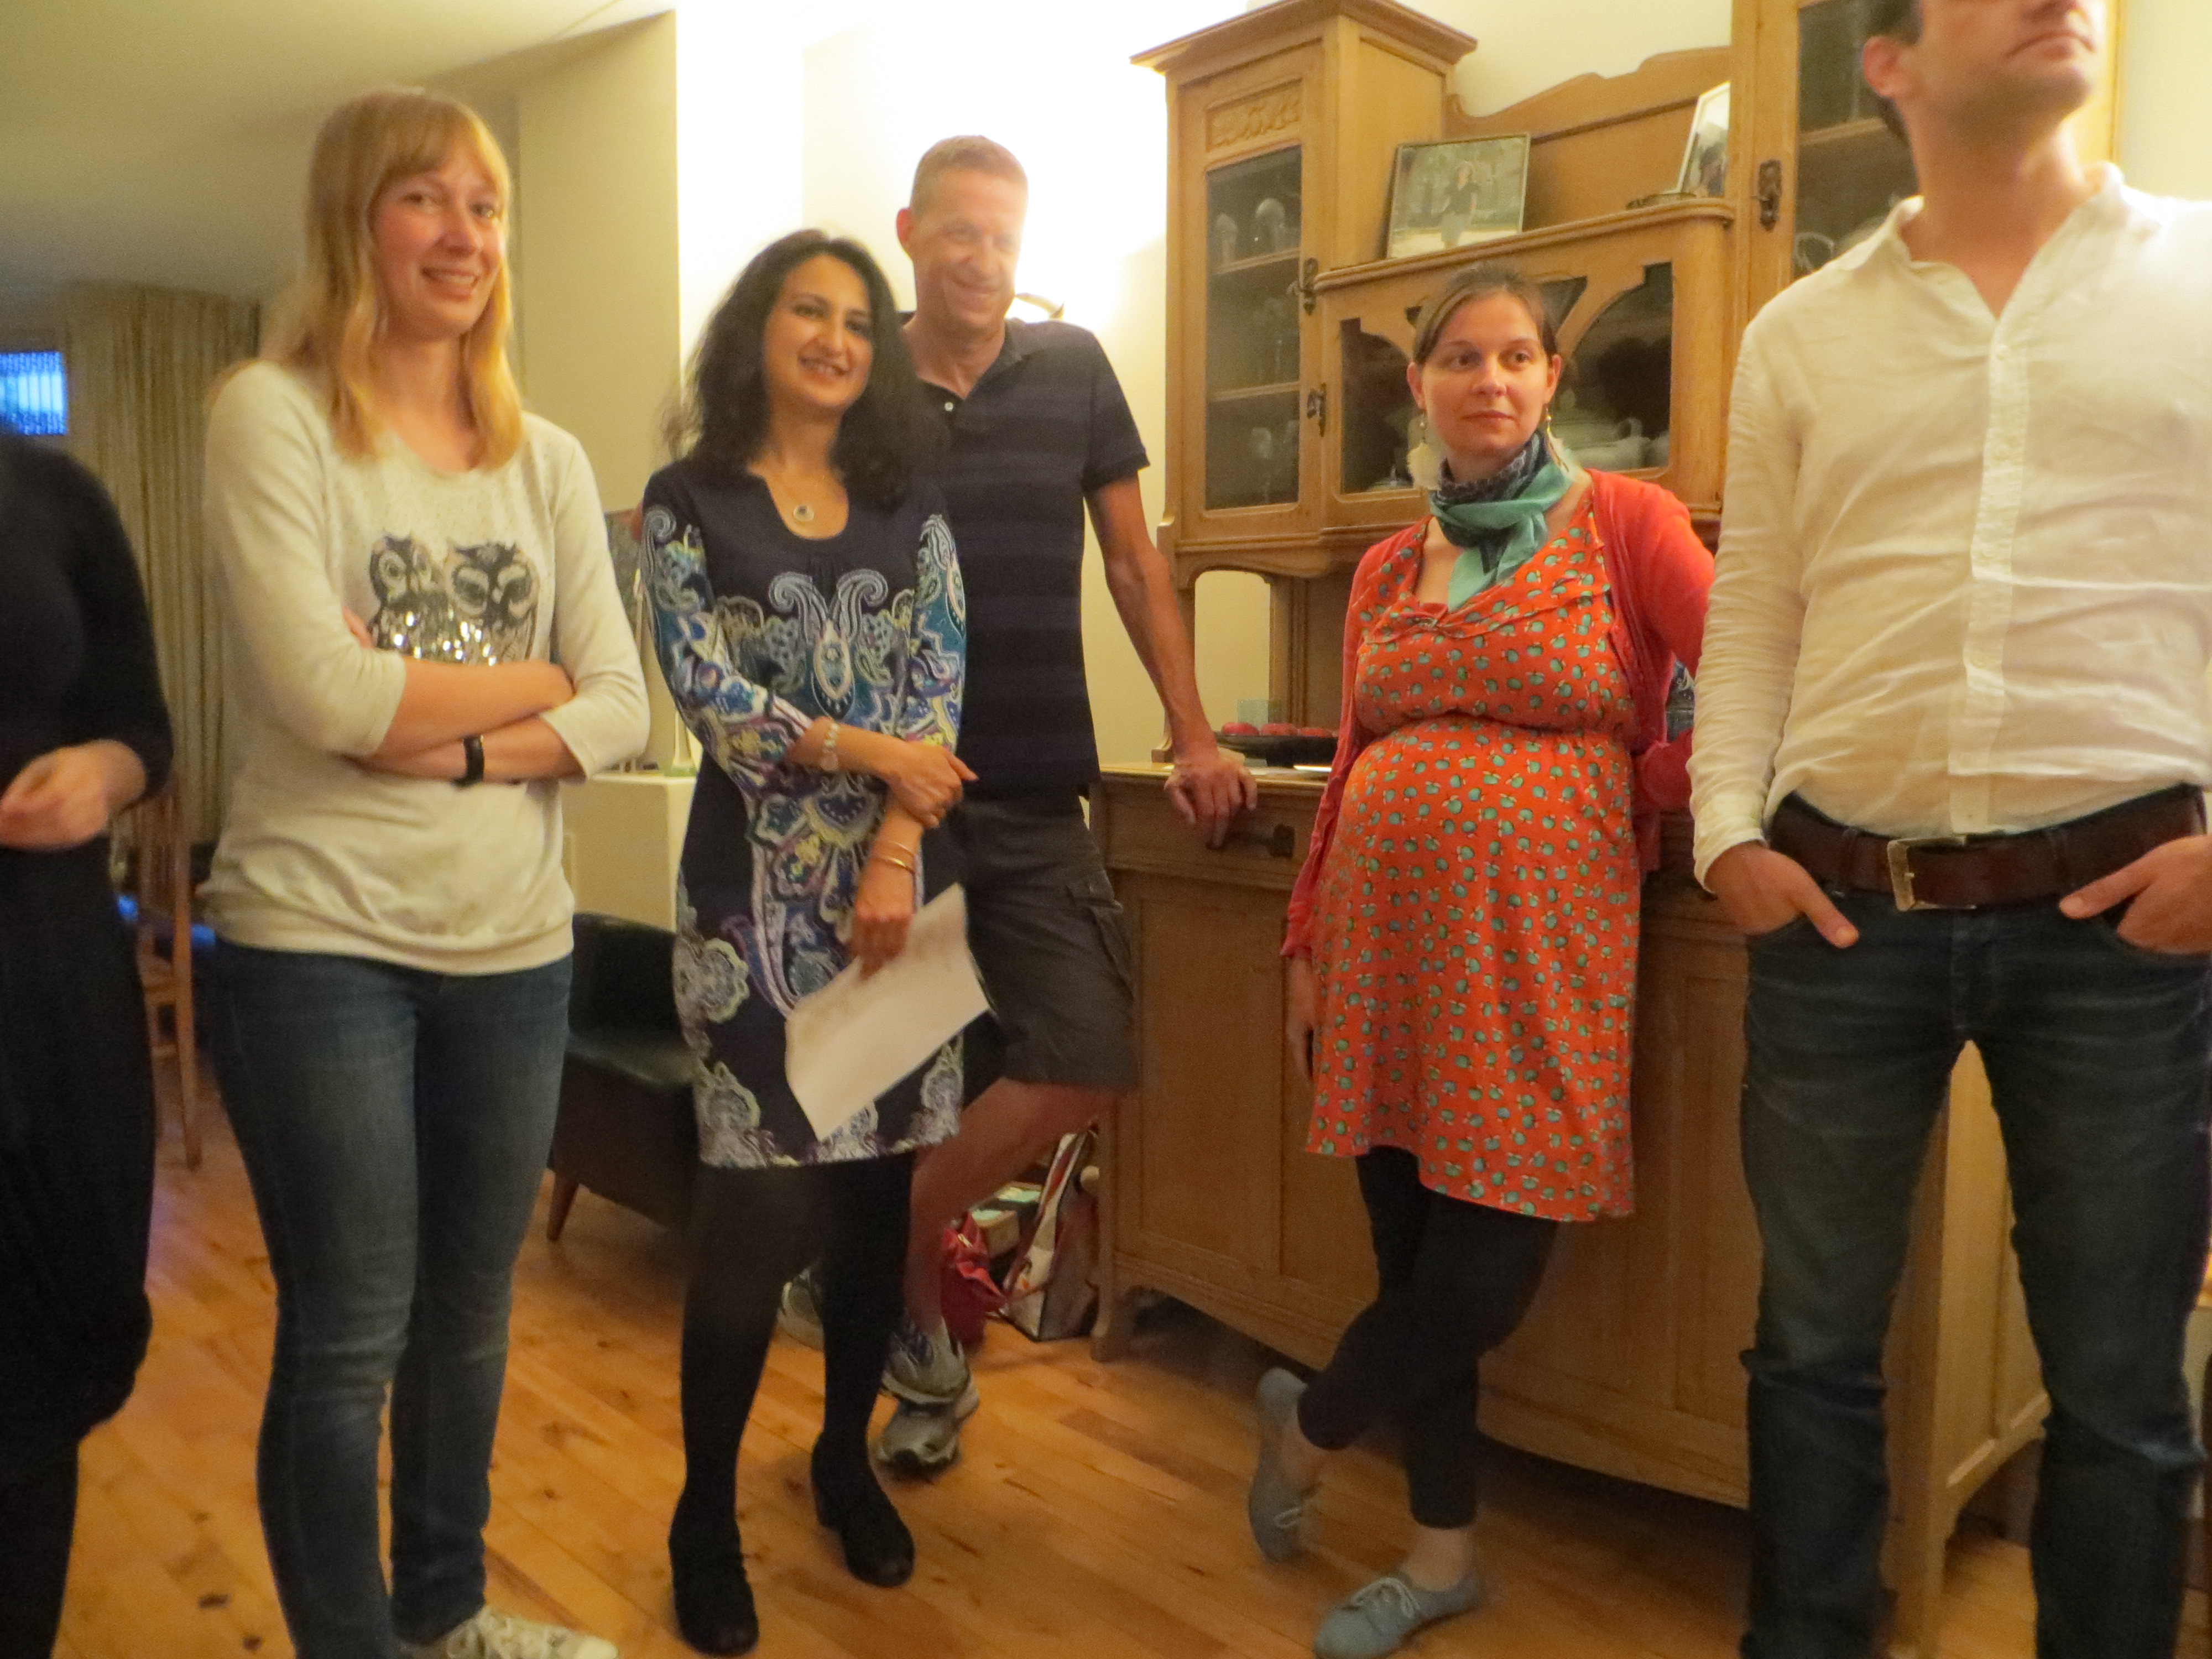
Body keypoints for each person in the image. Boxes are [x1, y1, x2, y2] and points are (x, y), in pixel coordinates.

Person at [1688, 2, 2212, 1653]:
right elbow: (1755, 610)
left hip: (2131, 918)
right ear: (1890, 60)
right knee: (1810, 1355)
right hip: (1842, 911)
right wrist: (1724, 835)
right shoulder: (1797, 336)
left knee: (2120, 1390)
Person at [201, 88, 647, 1659]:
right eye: (424, 199)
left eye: (486, 205)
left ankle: (446, 1617)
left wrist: (448, 737)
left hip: (514, 951)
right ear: (354, 220)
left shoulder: (548, 459)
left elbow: (623, 707)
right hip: (316, 943)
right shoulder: (272, 414)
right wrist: (535, 685)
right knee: (349, 1336)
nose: (464, 235)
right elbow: (327, 698)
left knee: (467, 1323)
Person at [778, 135, 1259, 1476]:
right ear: (909, 232)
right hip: (889, 809)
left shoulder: (1074, 369)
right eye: (958, 233)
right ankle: (890, 1390)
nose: (981, 259)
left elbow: (1133, 562)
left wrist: (1193, 731)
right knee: (881, 1097)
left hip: (1041, 788)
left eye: (1001, 236)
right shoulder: (854, 381)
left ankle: (860, 1258)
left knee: (1085, 1054)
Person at [1254, 264, 1712, 1659]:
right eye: (1461, 357)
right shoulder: (1388, 567)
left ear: (1551, 377)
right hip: (1383, 957)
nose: (1490, 379)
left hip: (1538, 963)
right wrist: (1302, 941)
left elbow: (1749, 672)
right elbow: (1354, 761)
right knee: (1406, 1263)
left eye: (1516, 355)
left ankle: (1309, 1426)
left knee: (1478, 1283)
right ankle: (1439, 1555)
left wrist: (1651, 776)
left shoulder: (1624, 522)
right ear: (1420, 385)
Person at [640, 228, 965, 1658]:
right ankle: (703, 1519)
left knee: (876, 1208)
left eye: (857, 321)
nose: (835, 338)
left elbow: (941, 690)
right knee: (755, 1223)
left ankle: (841, 1461)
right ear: (756, 332)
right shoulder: (685, 501)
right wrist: (864, 748)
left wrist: (894, 837)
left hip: (897, 899)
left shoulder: (911, 503)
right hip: (749, 909)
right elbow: (709, 699)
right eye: (807, 311)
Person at [0, 423, 172, 1659]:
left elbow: (141, 728)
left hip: (44, 983)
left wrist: (100, 777)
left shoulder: (51, 491)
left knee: (35, 1372)